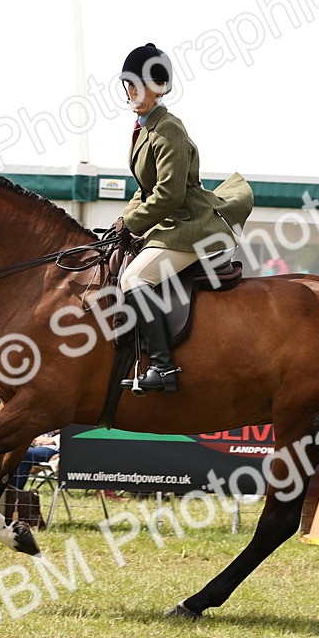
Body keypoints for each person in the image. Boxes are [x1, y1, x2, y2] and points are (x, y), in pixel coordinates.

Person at [112, 43, 254, 394]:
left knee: (133, 279)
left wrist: (133, 223)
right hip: (169, 224)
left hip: (189, 227)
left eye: (140, 84)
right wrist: (124, 219)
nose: (132, 91)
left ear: (158, 87)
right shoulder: (144, 129)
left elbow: (169, 194)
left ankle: (163, 368)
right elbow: (146, 191)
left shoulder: (168, 129)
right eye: (128, 84)